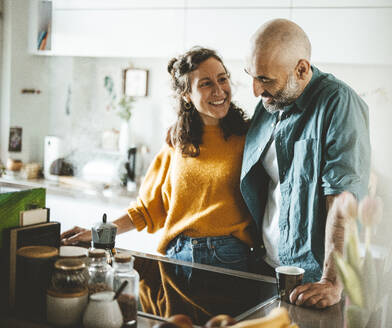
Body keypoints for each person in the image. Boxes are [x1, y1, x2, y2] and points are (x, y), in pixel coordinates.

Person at [61, 47, 256, 272]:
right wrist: (99, 233)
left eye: (222, 79)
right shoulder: (176, 142)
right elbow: (146, 209)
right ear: (187, 95)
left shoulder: (249, 138)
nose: (219, 90)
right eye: (206, 83)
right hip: (177, 258)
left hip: (229, 259)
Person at [240, 19, 371, 308]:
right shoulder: (270, 102)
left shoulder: (338, 102)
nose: (255, 90)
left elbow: (343, 199)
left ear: (302, 69)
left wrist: (333, 281)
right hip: (264, 267)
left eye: (264, 79)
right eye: (251, 75)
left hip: (312, 280)